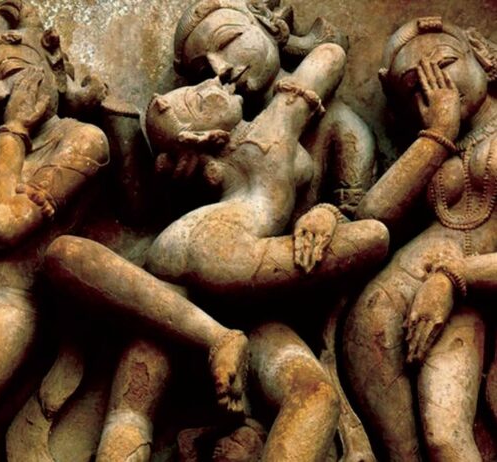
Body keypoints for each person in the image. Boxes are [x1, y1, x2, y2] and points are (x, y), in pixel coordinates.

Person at [45, 41, 389, 461]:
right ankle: (219, 339)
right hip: (225, 255)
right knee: (372, 240)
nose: (215, 78)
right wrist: (332, 214)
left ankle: (217, 337)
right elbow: (330, 56)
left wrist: (325, 212)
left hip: (211, 301)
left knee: (132, 414)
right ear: (204, 137)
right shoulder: (271, 129)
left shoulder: (249, 150)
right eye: (199, 96)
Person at [343, 16, 497, 462]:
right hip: (395, 317)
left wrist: (453, 276)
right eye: (415, 85)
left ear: (483, 59)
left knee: (446, 439)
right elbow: (372, 218)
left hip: (459, 291)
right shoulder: (437, 146)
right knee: (420, 448)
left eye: (446, 63)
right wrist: (439, 133)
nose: (436, 85)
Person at [0, 2, 110, 460]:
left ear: (50, 61)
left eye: (12, 75)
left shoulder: (80, 139)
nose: (0, 93)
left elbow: (2, 224)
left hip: (9, 302)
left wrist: (14, 129)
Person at [168, 0, 376, 217]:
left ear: (267, 25)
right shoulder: (221, 147)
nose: (219, 69)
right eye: (203, 70)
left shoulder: (340, 127)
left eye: (226, 42)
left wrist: (326, 217)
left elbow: (358, 221)